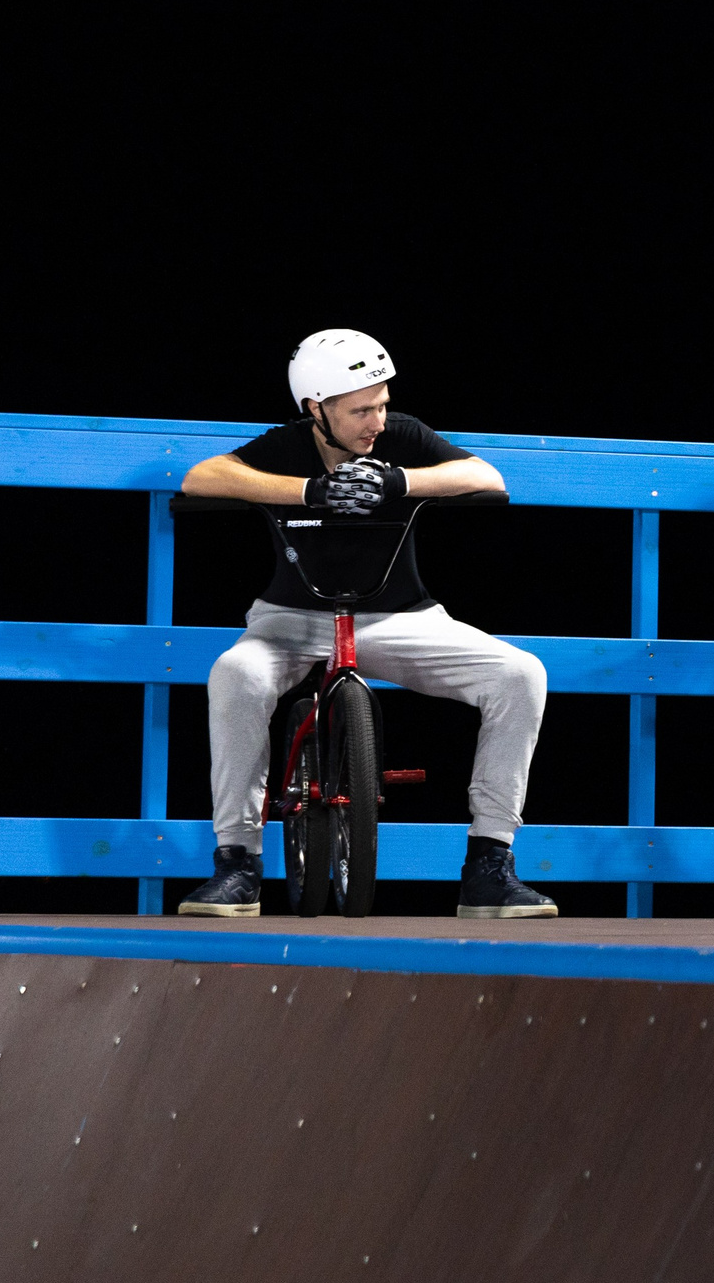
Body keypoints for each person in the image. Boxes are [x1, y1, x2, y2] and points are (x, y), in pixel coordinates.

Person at [174, 330, 557, 919]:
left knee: (520, 675)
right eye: (360, 410)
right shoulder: (288, 447)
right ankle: (238, 865)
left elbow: (486, 477)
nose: (376, 419)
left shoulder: (400, 435)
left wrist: (396, 480)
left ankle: (489, 864)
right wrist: (312, 491)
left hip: (399, 619)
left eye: (381, 403)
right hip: (290, 621)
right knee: (235, 675)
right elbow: (202, 477)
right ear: (316, 409)